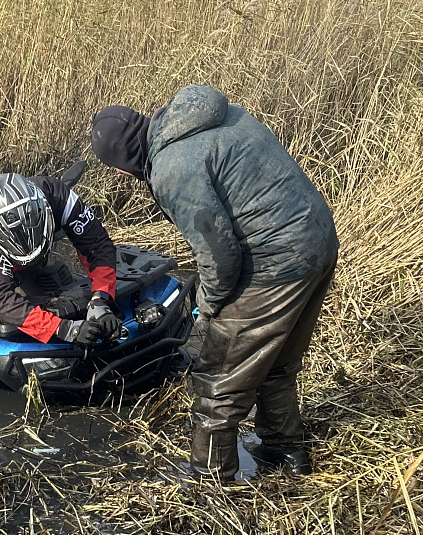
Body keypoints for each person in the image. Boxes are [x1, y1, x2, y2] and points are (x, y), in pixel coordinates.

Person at [90, 84, 338, 480]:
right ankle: (285, 454)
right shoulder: (213, 114)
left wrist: (207, 309)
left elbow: (220, 258)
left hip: (275, 264)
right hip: (318, 242)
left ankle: (210, 485)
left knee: (217, 382)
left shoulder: (173, 167)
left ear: (122, 168)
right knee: (274, 361)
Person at [0, 172, 122, 346]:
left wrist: (101, 298)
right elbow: (2, 300)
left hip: (33, 251)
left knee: (44, 292)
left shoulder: (58, 196)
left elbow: (97, 244)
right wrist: (63, 329)